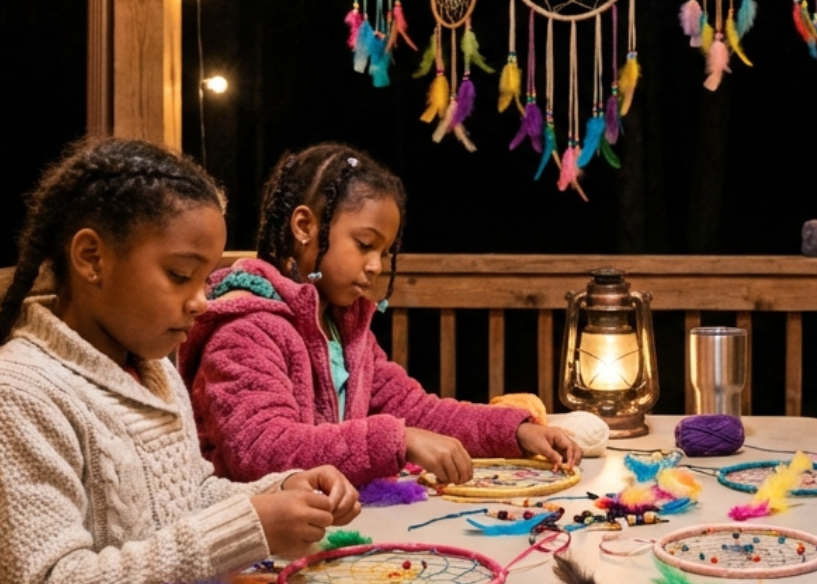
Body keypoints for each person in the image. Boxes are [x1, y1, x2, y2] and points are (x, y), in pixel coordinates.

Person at [0, 138, 359, 584]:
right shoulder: (18, 397)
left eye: (205, 277)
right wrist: (246, 528)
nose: (201, 300)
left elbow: (187, 492)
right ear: (92, 258)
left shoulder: (153, 368)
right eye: (179, 275)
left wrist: (279, 491)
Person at [182, 143, 580, 486]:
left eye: (384, 252)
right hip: (260, 539)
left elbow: (415, 409)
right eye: (364, 244)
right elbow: (261, 450)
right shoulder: (246, 327)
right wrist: (399, 440)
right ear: (304, 226)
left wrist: (515, 431)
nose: (375, 266)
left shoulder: (343, 329)